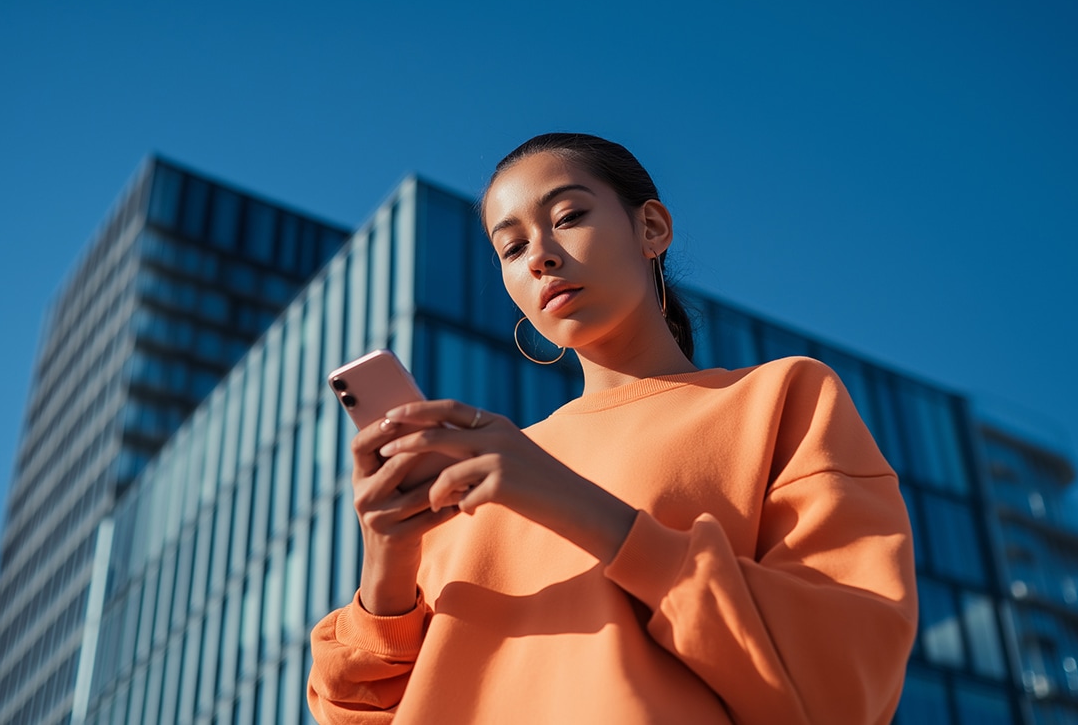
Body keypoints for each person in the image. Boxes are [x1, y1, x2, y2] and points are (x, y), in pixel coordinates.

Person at [307, 133, 918, 724]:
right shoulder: (471, 478)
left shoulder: (778, 398)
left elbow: (844, 674)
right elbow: (357, 711)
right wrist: (386, 567)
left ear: (651, 228)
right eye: (511, 249)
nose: (541, 256)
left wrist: (570, 502)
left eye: (568, 215)